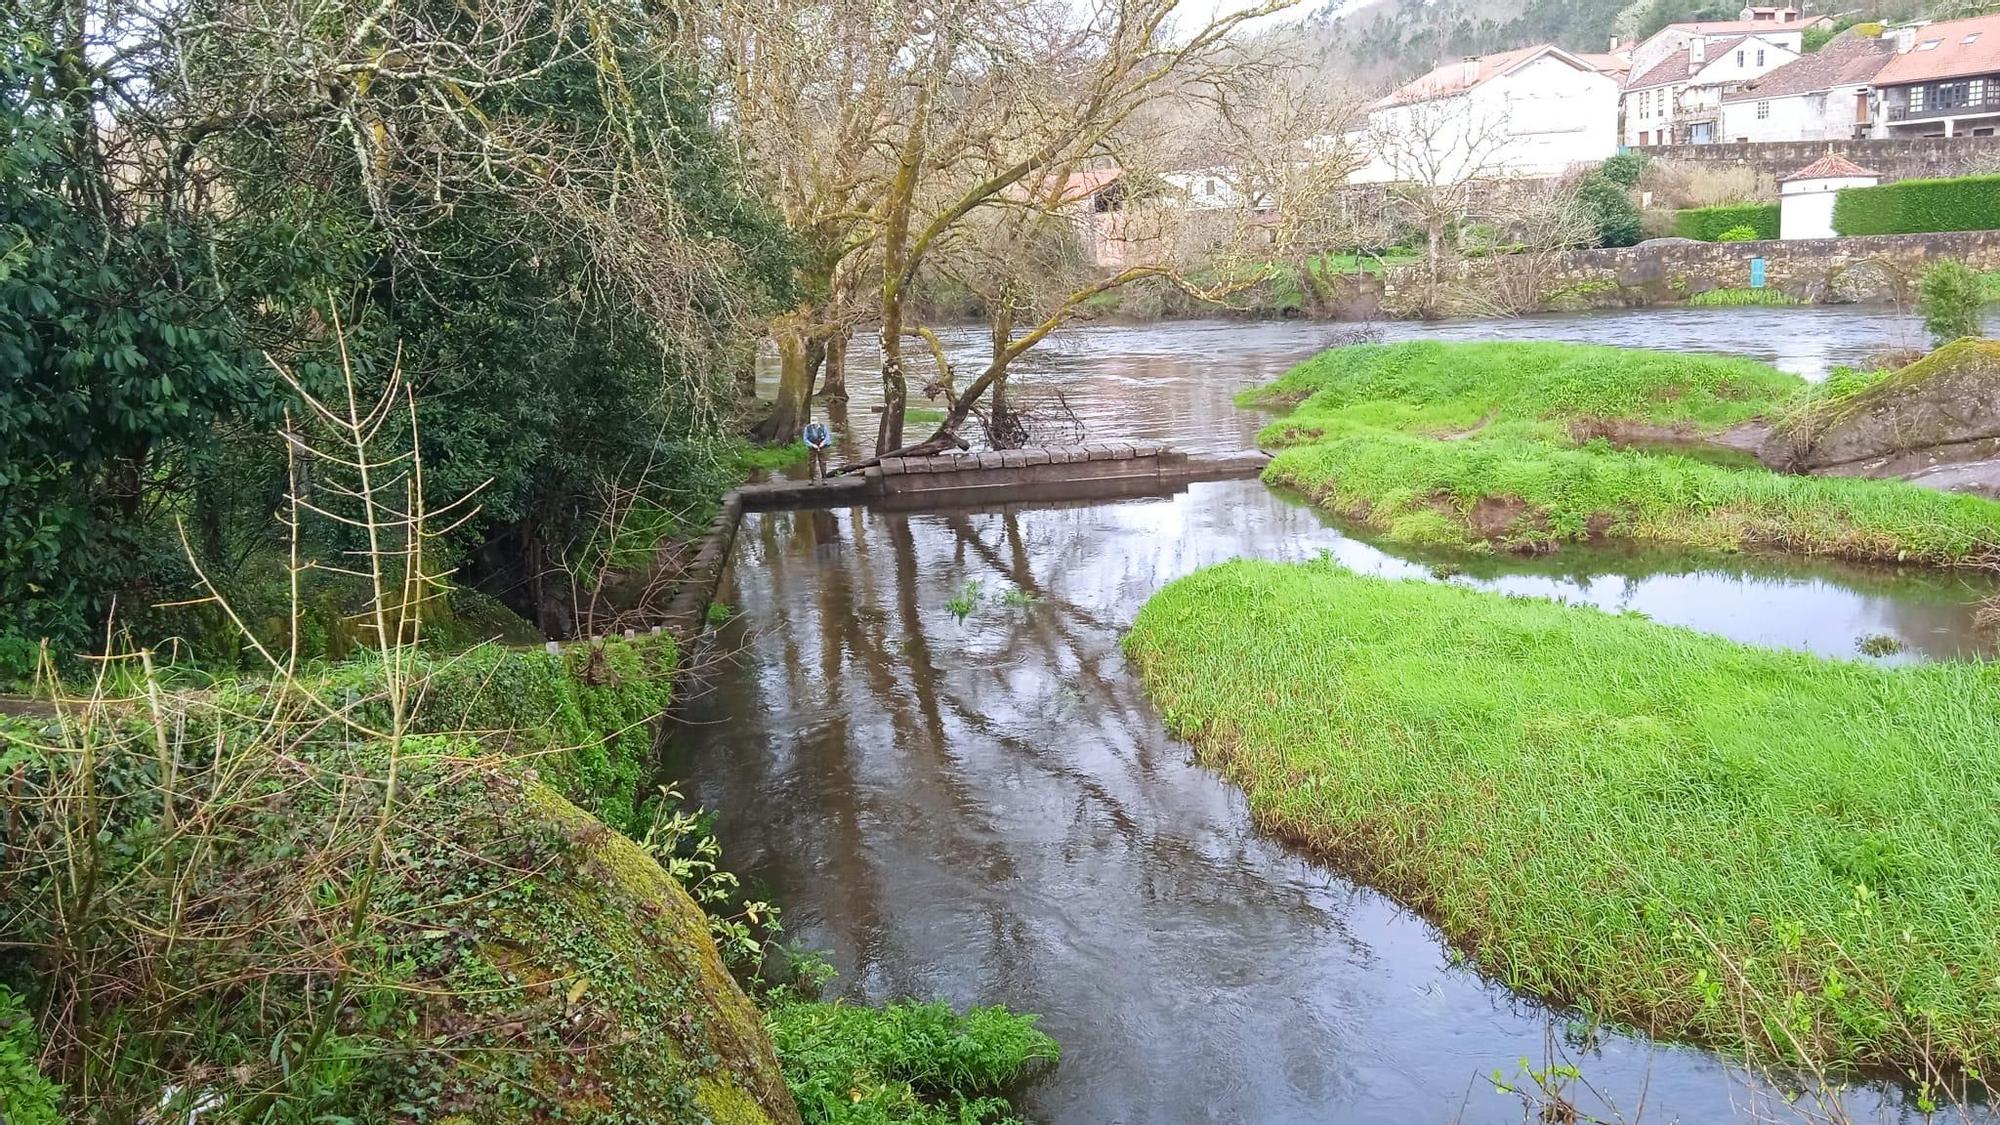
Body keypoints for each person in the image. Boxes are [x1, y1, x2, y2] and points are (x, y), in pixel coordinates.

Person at [802, 419, 831, 483]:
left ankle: (824, 479)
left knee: (823, 463)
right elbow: (805, 439)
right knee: (811, 463)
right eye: (813, 424)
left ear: (818, 422)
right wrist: (812, 445)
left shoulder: (823, 427)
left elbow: (827, 437)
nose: (814, 425)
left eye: (815, 424)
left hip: (822, 447)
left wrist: (823, 443)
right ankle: (811, 479)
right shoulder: (807, 428)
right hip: (812, 447)